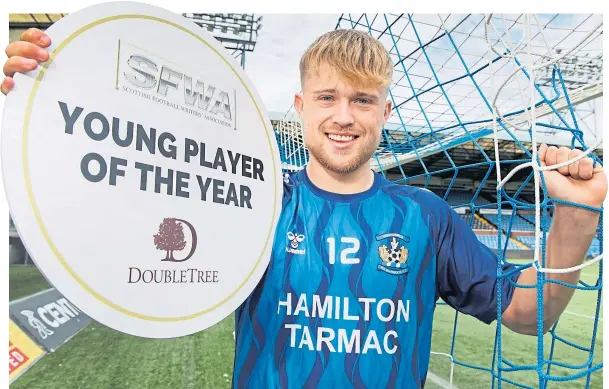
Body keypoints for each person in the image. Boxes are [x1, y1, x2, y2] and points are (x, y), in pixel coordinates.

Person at [3, 28, 606, 389]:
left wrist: (575, 221)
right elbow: (121, 196)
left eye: (363, 100)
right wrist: (44, 89)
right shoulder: (252, 197)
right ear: (299, 105)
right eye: (327, 97)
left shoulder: (426, 216)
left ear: (384, 113)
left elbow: (528, 314)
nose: (344, 116)